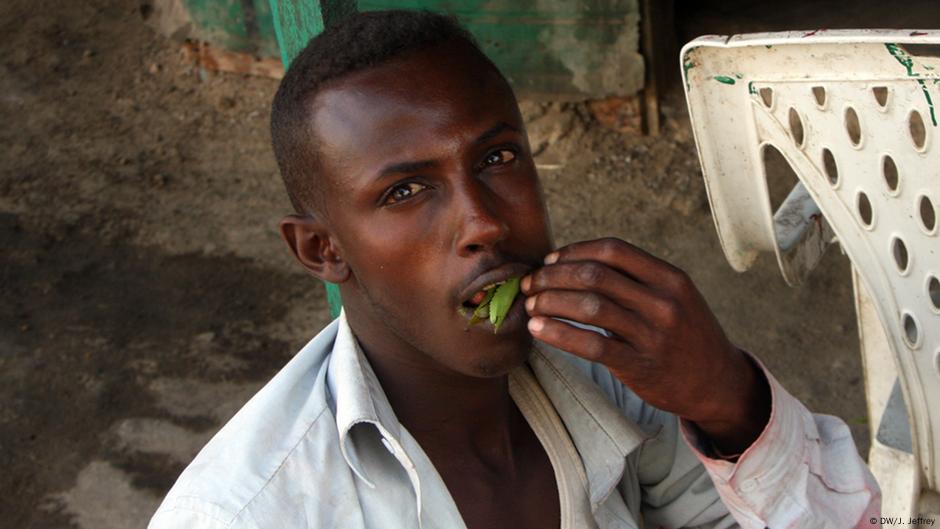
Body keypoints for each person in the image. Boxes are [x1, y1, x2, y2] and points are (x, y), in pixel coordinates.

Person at [149, 10, 880, 529]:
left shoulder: (604, 367)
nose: (486, 223)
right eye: (406, 191)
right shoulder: (247, 512)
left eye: (497, 158)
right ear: (323, 249)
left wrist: (727, 399)